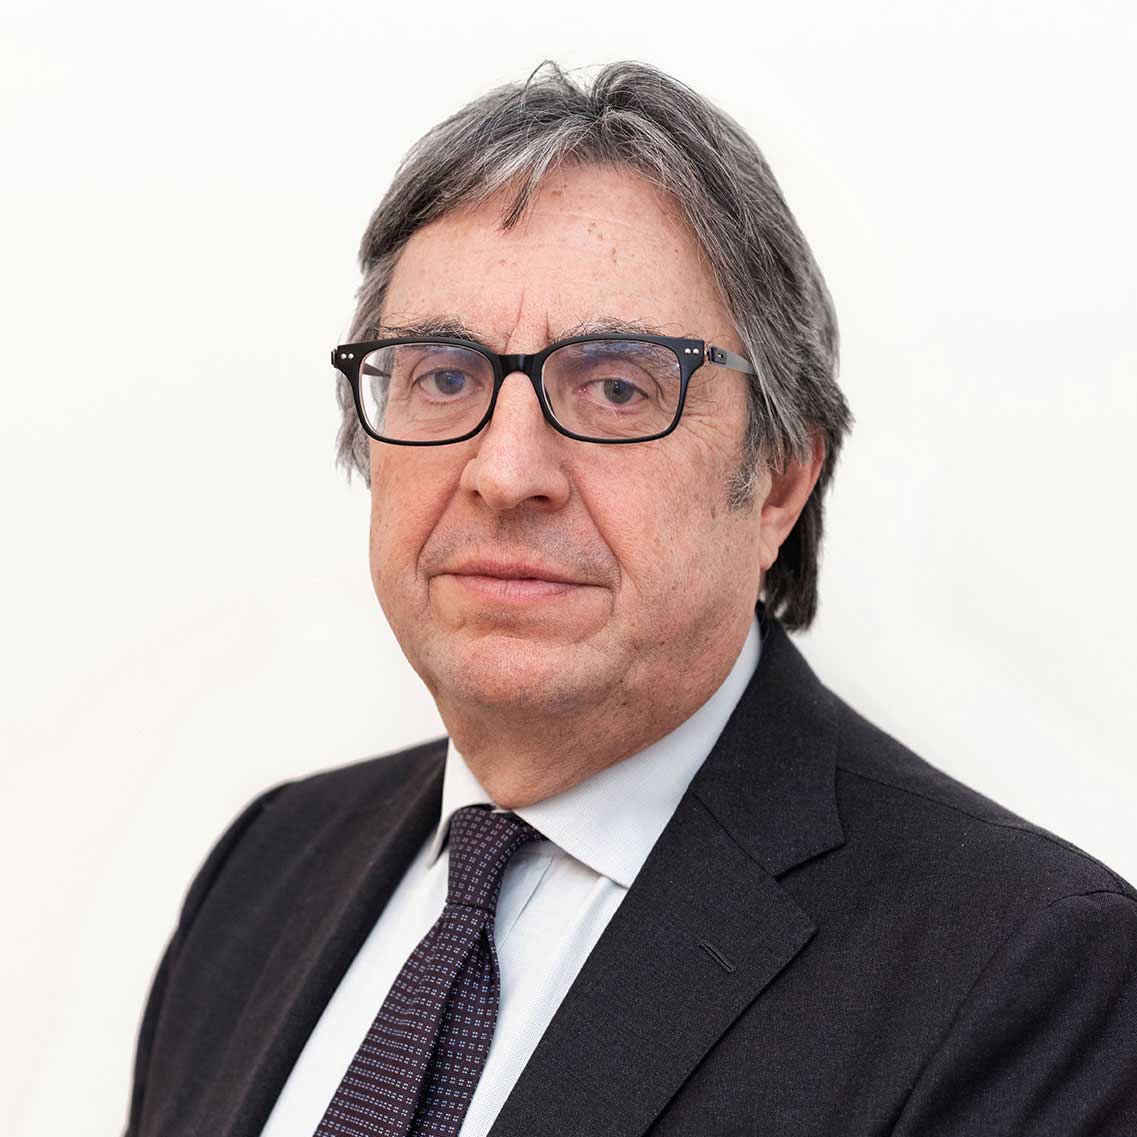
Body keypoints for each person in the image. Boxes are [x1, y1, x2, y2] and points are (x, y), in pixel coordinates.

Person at [124, 61, 1137, 1137]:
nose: (505, 472)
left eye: (615, 387)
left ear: (779, 480)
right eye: (445, 377)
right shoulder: (264, 869)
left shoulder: (1025, 970)